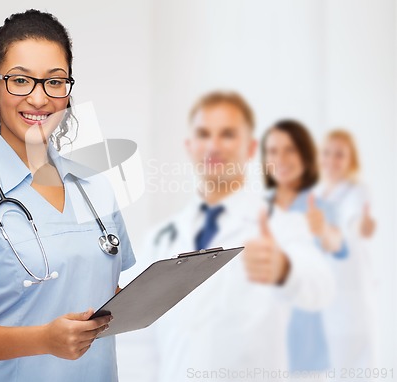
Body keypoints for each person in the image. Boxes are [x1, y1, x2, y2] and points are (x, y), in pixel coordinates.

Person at [0, 9, 136, 382]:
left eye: (54, 82)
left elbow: (103, 289)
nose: (39, 99)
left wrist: (160, 290)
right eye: (21, 80)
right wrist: (44, 339)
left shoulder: (95, 188)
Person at [122, 91, 335, 382]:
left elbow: (321, 288)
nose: (213, 145)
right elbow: (136, 337)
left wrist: (284, 269)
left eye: (227, 134)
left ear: (250, 147)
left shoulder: (281, 225)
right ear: (190, 146)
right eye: (203, 134)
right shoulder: (160, 237)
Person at [261, 120, 348, 374]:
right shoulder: (256, 208)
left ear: (305, 154)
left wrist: (324, 233)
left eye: (290, 149)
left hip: (305, 349)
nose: (281, 158)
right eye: (273, 151)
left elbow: (339, 246)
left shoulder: (320, 207)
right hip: (260, 345)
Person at [315, 129, 377, 378]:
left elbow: (357, 221)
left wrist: (362, 225)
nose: (331, 160)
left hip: (351, 300)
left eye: (339, 155)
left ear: (352, 159)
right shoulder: (317, 196)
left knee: (353, 369)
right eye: (327, 153)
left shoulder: (357, 191)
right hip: (326, 299)